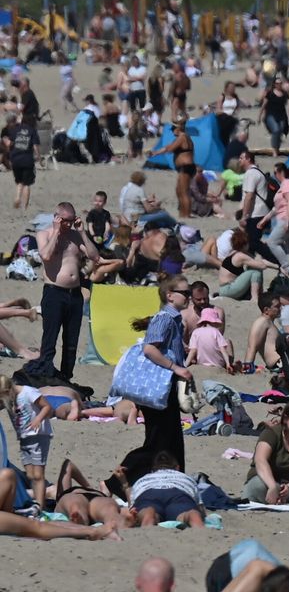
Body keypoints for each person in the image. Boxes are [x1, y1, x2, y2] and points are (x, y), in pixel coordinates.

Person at [109, 277, 193, 492]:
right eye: (185, 292)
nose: (189, 296)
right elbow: (149, 349)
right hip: (159, 387)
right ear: (170, 295)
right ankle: (115, 482)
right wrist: (176, 367)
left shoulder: (174, 320)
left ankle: (174, 483)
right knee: (159, 440)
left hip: (166, 387)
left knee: (171, 438)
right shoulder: (164, 318)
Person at [32, 202, 99, 382]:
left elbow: (95, 256)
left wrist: (83, 232)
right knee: (50, 338)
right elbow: (45, 256)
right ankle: (44, 374)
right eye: (65, 221)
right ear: (57, 218)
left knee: (71, 342)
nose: (68, 225)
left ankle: (66, 377)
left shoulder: (76, 237)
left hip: (74, 294)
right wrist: (56, 231)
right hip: (54, 292)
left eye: (71, 220)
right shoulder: (44, 234)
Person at [0, 374, 53, 509]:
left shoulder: (28, 392)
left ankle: (41, 507)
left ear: (7, 391)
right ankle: (35, 503)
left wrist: (38, 419)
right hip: (24, 438)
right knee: (30, 475)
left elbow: (47, 407)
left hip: (38, 436)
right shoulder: (9, 399)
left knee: (38, 474)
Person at [148, 118, 196, 218]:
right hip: (184, 167)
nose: (173, 131)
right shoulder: (181, 137)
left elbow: (169, 148)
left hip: (186, 167)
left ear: (178, 128)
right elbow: (169, 147)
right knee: (179, 191)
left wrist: (155, 153)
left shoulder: (183, 137)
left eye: (173, 129)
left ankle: (186, 215)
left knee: (184, 191)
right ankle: (183, 213)